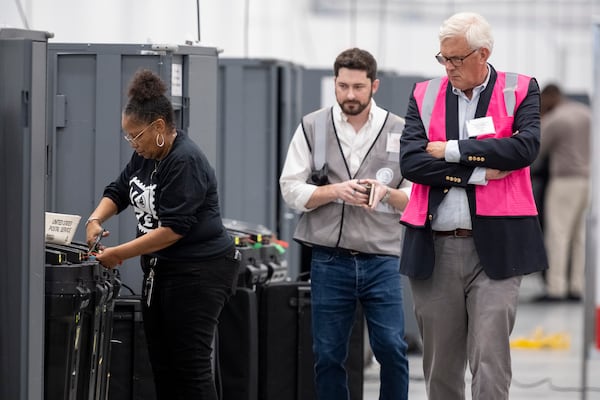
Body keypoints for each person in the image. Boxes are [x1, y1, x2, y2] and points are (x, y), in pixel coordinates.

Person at [399, 12, 548, 400]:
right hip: (435, 248)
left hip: (498, 249)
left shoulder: (521, 89)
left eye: (456, 59)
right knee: (441, 366)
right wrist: (476, 174)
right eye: (442, 59)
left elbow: (523, 148)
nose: (448, 68)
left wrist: (452, 150)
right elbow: (412, 163)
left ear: (484, 53)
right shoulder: (423, 94)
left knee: (489, 358)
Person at [85, 69, 240, 400]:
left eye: (135, 136)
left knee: (191, 367)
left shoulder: (184, 160)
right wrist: (95, 218)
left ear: (158, 127)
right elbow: (120, 189)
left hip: (202, 272)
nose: (132, 143)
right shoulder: (145, 156)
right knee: (163, 365)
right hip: (163, 273)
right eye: (128, 137)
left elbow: (174, 229)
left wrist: (120, 253)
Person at [279, 47, 411, 400]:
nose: (349, 95)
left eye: (358, 87)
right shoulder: (312, 125)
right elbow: (290, 189)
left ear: (374, 85)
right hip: (329, 259)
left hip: (382, 257)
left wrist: (385, 193)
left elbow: (416, 197)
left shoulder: (400, 129)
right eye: (343, 86)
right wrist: (334, 191)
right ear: (334, 84)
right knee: (327, 354)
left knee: (392, 349)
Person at [533, 83, 591, 302]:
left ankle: (556, 288)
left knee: (557, 235)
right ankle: (576, 286)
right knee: (579, 237)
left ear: (549, 97)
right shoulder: (586, 113)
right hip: (588, 181)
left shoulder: (556, 119)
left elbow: (536, 150)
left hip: (565, 181)